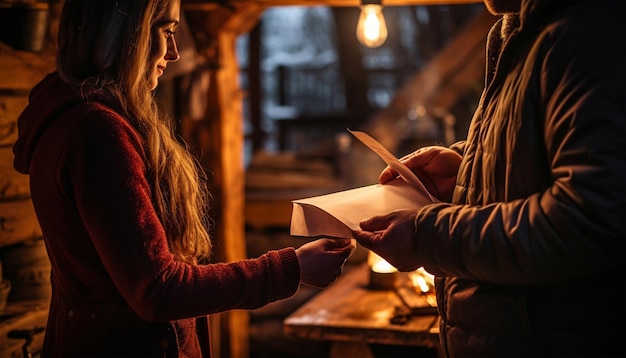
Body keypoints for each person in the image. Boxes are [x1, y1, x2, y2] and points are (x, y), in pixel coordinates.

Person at [12, 0, 355, 356]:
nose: (174, 53)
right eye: (166, 31)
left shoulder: (81, 120)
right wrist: (290, 269)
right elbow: (158, 291)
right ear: (125, 32)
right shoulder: (97, 133)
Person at [353, 0, 625, 356]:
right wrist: (465, 169)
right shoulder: (515, 29)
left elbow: (592, 218)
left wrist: (427, 236)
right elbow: (537, 151)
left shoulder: (588, 30)